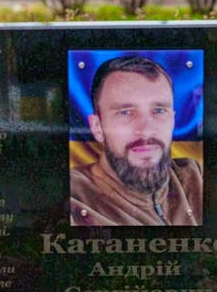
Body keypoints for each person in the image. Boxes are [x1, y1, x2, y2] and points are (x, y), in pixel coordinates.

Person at [70, 55, 203, 226]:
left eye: (159, 110)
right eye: (125, 112)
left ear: (173, 120)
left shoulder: (196, 177)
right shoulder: (72, 199)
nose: (146, 130)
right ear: (97, 127)